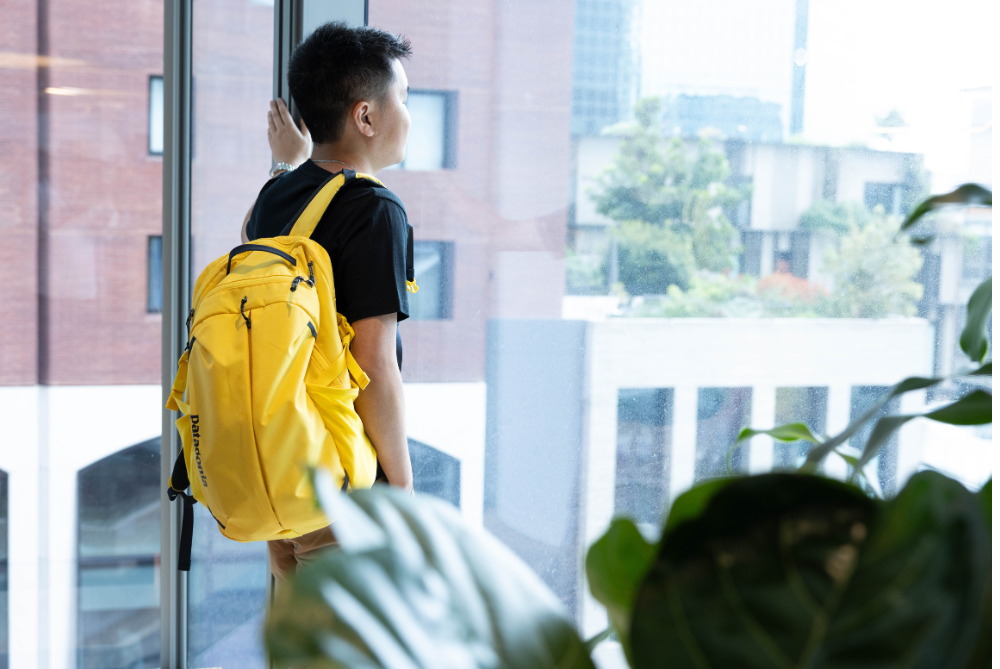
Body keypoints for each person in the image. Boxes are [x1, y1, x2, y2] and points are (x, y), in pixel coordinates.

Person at [240, 22, 414, 582]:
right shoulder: (375, 210)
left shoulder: (276, 194)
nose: (409, 116)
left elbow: (250, 237)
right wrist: (403, 489)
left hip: (278, 466)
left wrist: (286, 165)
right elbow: (373, 364)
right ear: (366, 116)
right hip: (342, 482)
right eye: (404, 100)